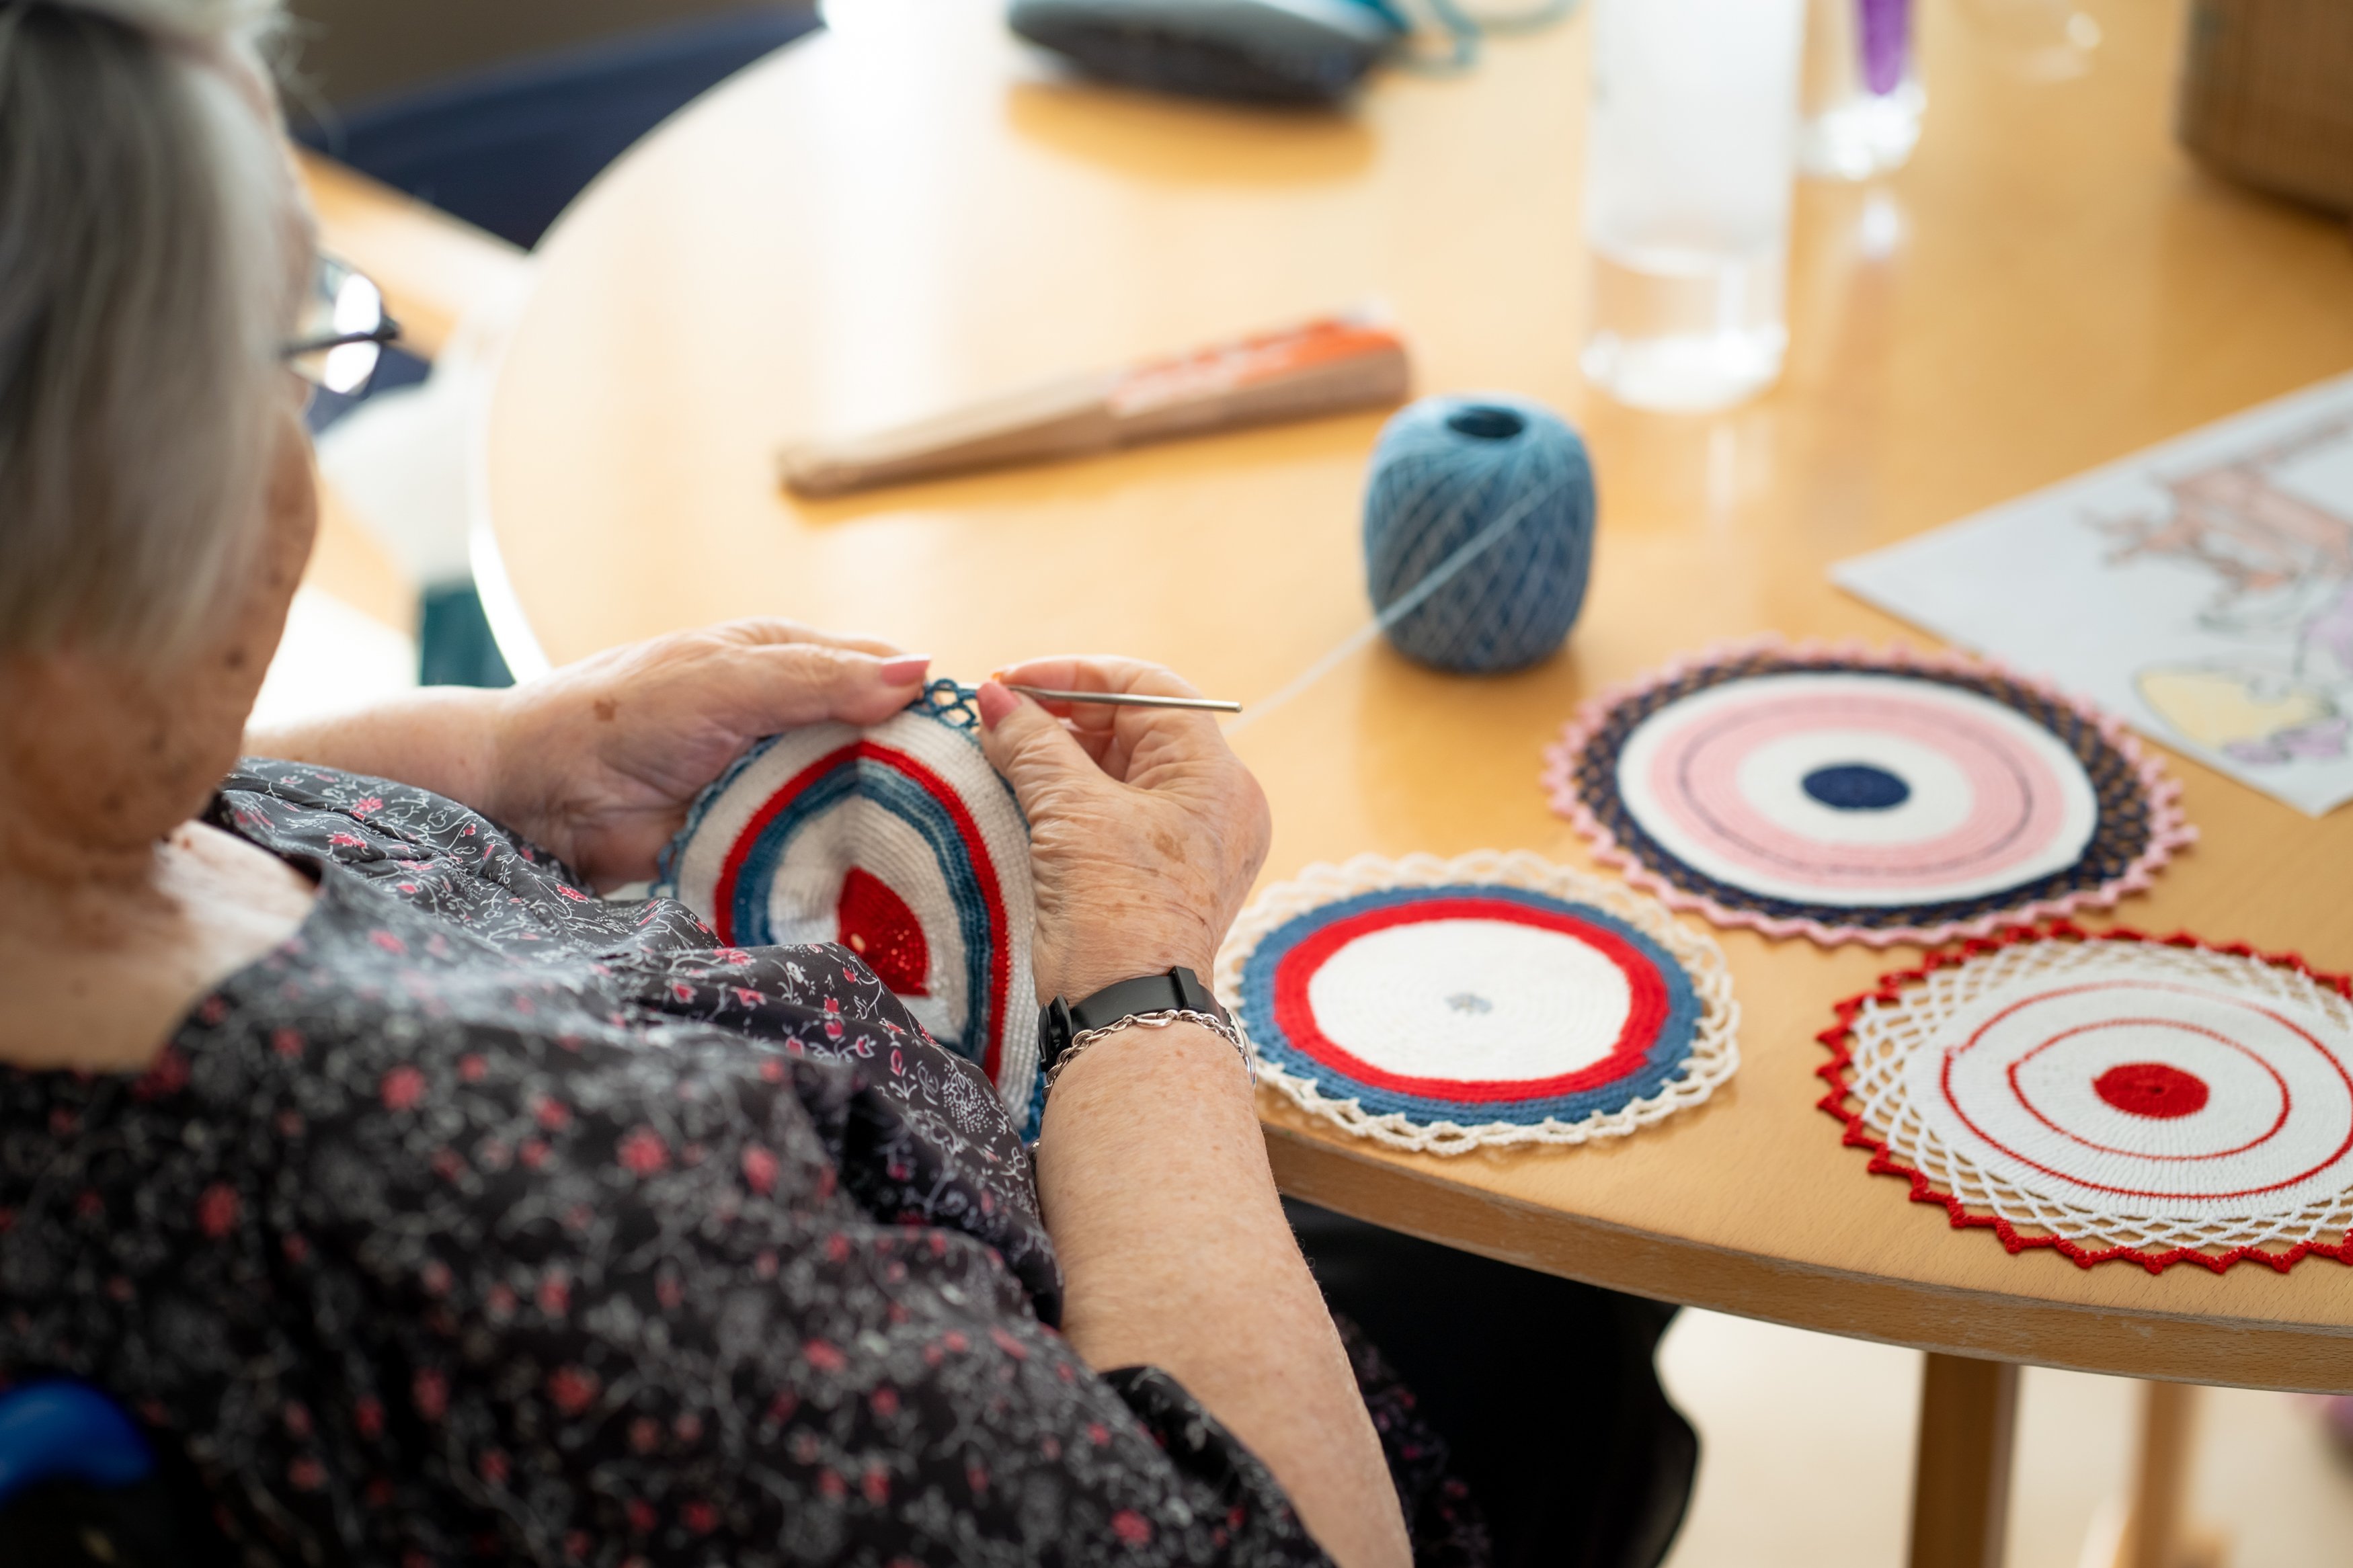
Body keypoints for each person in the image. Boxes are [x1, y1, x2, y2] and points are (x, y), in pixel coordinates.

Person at [0, 2, 1692, 1564]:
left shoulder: (71, 851)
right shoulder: (507, 1204)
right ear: (104, 508)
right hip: (1072, 1350)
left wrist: (517, 755)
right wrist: (1140, 975)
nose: (296, 449)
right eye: (281, 369)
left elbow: (156, 794)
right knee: (1540, 1248)